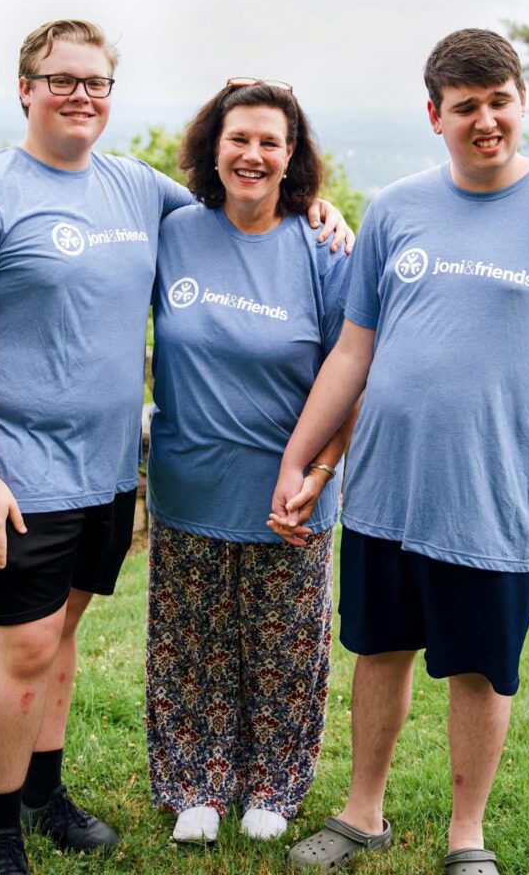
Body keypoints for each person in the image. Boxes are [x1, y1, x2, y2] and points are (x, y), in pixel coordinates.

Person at [0, 24, 350, 875]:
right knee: (25, 647)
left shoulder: (137, 191)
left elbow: (242, 214)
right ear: (25, 88)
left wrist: (317, 209)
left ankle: (44, 794)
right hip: (12, 475)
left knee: (64, 631)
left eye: (97, 82)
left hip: (107, 472)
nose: (82, 96)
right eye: (62, 80)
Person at [270, 29, 529, 875]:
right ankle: (361, 813)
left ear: (523, 102)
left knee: (479, 668)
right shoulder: (399, 208)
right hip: (385, 490)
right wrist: (299, 461)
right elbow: (353, 351)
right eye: (466, 106)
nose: (486, 121)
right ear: (435, 114)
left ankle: (464, 835)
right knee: (379, 651)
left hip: (494, 491)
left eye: (499, 101)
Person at [145, 79, 357, 845]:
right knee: (189, 642)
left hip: (294, 493)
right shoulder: (173, 231)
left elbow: (354, 372)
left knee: (286, 649)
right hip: (188, 483)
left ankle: (273, 785)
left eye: (271, 141)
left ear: (292, 154)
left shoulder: (327, 248)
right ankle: (194, 785)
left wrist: (320, 472)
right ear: (214, 146)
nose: (253, 154)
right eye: (240, 138)